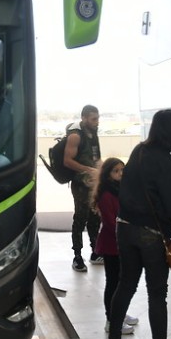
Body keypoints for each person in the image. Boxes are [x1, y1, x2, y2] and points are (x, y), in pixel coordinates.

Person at [104, 109, 171, 339]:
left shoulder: (139, 150)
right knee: (157, 293)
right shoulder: (166, 161)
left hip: (124, 228)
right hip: (151, 234)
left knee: (126, 283)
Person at [90, 158, 138, 335]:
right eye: (116, 171)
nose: (120, 174)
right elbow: (111, 222)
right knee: (113, 282)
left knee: (122, 282)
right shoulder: (106, 194)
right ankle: (111, 320)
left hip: (122, 242)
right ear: (107, 174)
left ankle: (120, 313)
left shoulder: (121, 190)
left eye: (122, 170)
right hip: (112, 244)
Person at [63, 104, 101, 271]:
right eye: (93, 119)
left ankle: (95, 251)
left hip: (93, 183)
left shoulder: (93, 133)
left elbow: (95, 156)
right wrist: (89, 170)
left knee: (95, 216)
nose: (97, 122)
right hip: (80, 184)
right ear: (84, 118)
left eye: (98, 118)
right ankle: (77, 256)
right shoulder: (75, 136)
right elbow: (67, 161)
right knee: (80, 218)